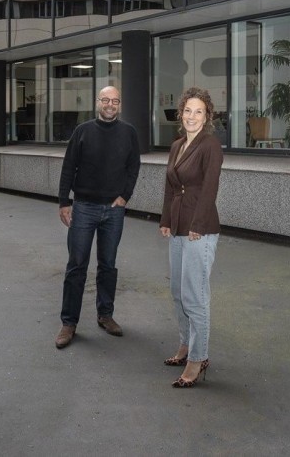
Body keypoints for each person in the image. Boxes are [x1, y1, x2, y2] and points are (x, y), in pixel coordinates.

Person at [55, 86, 141, 349]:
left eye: (115, 101)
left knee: (108, 265)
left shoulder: (128, 132)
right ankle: (69, 323)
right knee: (77, 265)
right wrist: (63, 202)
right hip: (83, 208)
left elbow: (133, 166)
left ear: (120, 104)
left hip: (113, 211)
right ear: (97, 102)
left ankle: (106, 315)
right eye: (105, 100)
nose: (110, 104)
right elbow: (69, 166)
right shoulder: (83, 131)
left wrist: (125, 197)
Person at [159, 87, 223, 387]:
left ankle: (198, 358)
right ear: (180, 113)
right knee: (178, 293)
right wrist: (166, 220)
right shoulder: (177, 146)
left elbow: (209, 189)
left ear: (207, 115)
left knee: (195, 297)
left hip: (201, 228)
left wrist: (196, 225)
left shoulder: (210, 146)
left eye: (198, 111)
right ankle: (185, 346)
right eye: (187, 110)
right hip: (178, 225)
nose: (192, 116)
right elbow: (171, 187)